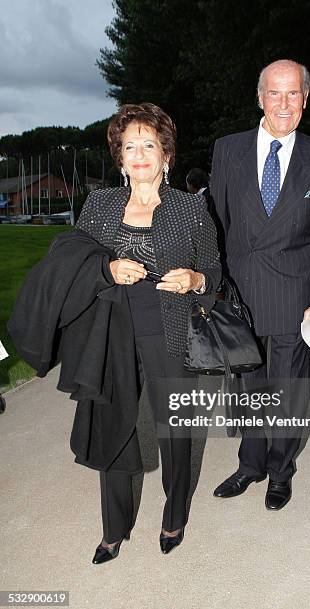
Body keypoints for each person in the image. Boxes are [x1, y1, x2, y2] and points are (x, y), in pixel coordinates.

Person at [8, 103, 221, 563]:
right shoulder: (101, 205)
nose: (139, 154)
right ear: (120, 158)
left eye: (149, 144)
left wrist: (196, 281)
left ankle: (175, 512)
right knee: (113, 428)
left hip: (173, 333)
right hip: (112, 335)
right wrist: (107, 268)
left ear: (167, 155)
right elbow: (72, 261)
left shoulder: (191, 209)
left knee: (177, 432)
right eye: (130, 146)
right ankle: (114, 527)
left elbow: (216, 270)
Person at [210, 59, 310, 511]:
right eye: (275, 93)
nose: (283, 104)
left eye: (293, 94)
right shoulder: (227, 149)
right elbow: (217, 226)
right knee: (247, 389)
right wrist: (214, 290)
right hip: (242, 298)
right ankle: (250, 464)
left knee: (287, 391)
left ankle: (280, 471)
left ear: (305, 100)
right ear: (259, 97)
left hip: (294, 299)